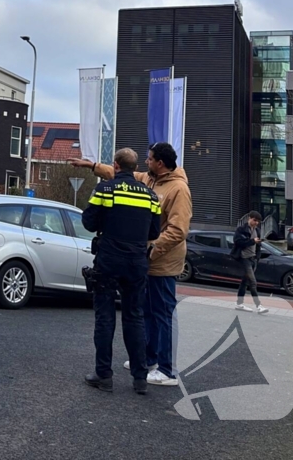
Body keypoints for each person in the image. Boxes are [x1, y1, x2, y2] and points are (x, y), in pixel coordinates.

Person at [72, 141, 191, 387]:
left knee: (158, 314)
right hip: (139, 261)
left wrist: (151, 250)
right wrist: (93, 166)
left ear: (160, 163)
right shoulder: (148, 186)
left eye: (150, 159)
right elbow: (151, 225)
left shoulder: (177, 189)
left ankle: (163, 369)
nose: (147, 162)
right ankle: (142, 370)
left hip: (155, 260)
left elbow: (177, 231)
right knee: (138, 314)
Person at [81, 148, 161, 395]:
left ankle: (103, 375)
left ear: (115, 166)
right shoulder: (151, 196)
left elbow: (88, 223)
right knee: (134, 317)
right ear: (134, 167)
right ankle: (140, 378)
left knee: (105, 317)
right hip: (137, 262)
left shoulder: (105, 189)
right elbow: (154, 233)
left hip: (109, 260)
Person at [233, 211, 270, 314]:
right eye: (254, 220)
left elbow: (258, 246)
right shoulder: (241, 230)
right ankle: (259, 306)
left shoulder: (257, 230)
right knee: (253, 282)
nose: (256, 223)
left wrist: (257, 256)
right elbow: (238, 242)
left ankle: (239, 304)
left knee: (244, 282)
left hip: (253, 258)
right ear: (249, 218)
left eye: (258, 221)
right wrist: (252, 241)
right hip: (244, 258)